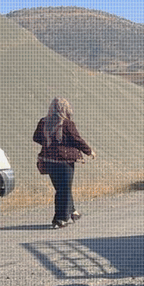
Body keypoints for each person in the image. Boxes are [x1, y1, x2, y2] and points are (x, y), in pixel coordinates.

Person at [33, 98, 95, 228]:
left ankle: (72, 212)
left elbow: (36, 137)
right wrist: (89, 151)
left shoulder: (43, 122)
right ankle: (60, 219)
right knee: (64, 189)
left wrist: (50, 144)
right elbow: (77, 140)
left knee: (61, 188)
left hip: (49, 161)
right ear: (65, 109)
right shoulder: (67, 124)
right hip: (64, 163)